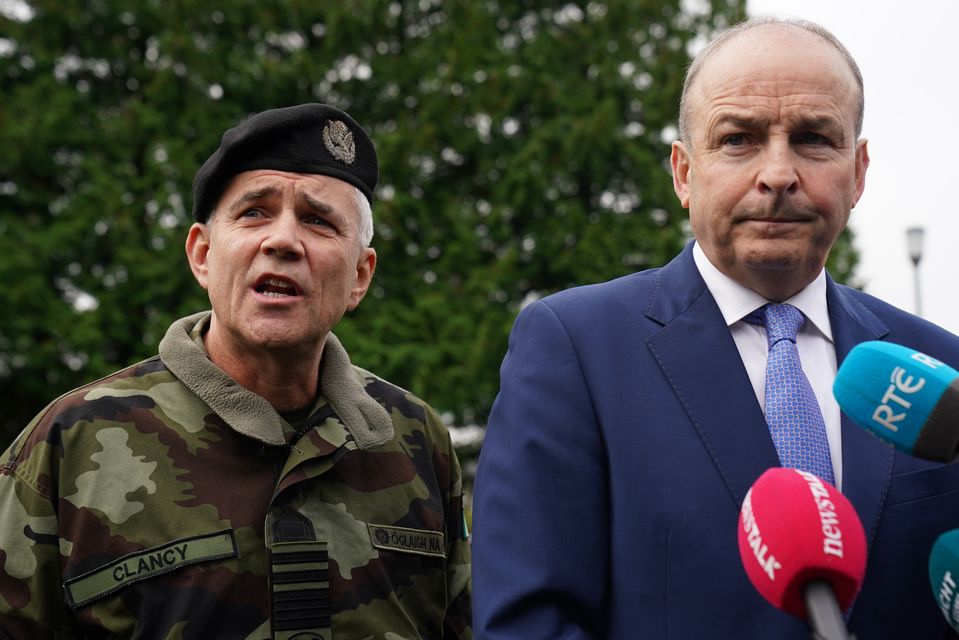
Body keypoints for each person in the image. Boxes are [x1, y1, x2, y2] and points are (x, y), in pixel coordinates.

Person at [472, 16, 959, 639]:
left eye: (813, 139)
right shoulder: (575, 349)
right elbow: (529, 624)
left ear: (858, 171)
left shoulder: (934, 371)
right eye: (739, 139)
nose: (778, 174)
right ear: (683, 172)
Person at [0, 103, 472, 639]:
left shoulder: (416, 439)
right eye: (254, 213)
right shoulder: (71, 443)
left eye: (319, 221)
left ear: (360, 276)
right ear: (202, 255)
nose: (283, 241)